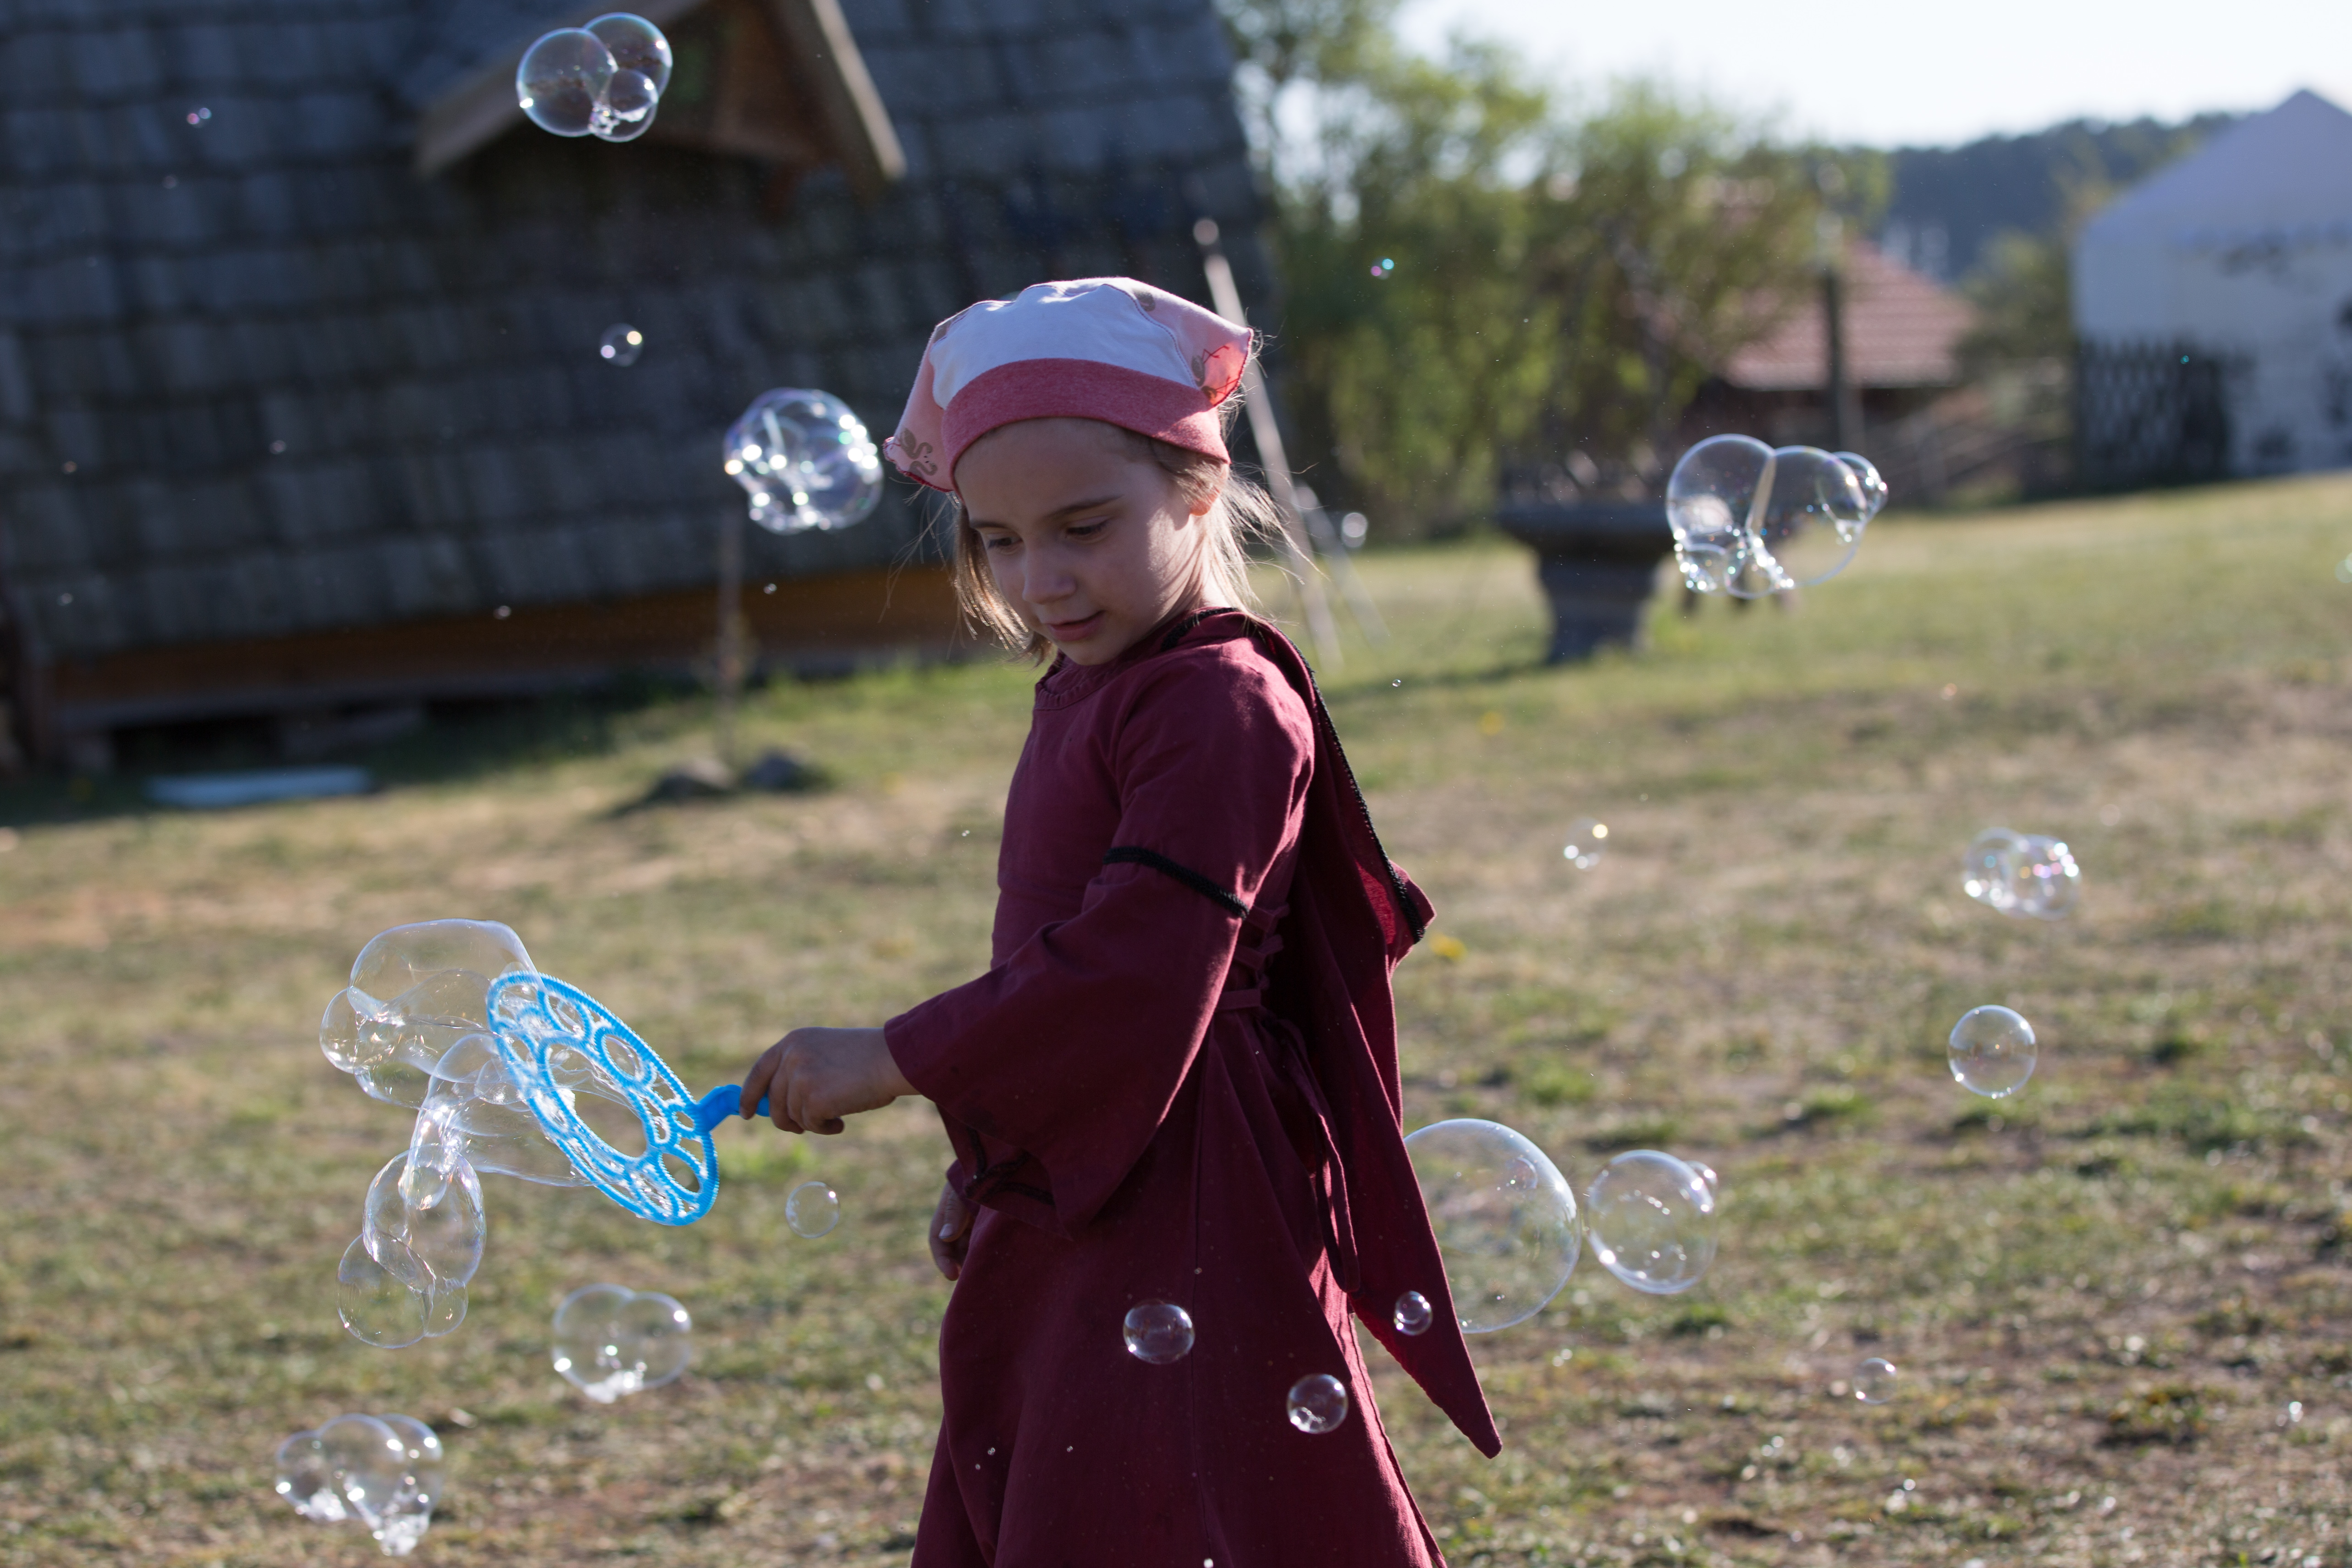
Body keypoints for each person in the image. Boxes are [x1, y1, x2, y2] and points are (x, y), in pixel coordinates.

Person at [738, 279, 1497, 1566]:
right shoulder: (1101, 682)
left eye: (1084, 528)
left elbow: (1139, 966)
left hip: (1195, 1182)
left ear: (1195, 491)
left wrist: (897, 1056)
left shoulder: (1221, 701)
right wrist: (989, 1159)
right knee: (1078, 1469)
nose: (1041, 579)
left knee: (1182, 1491)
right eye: (999, 541)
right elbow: (1053, 964)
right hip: (1091, 1155)